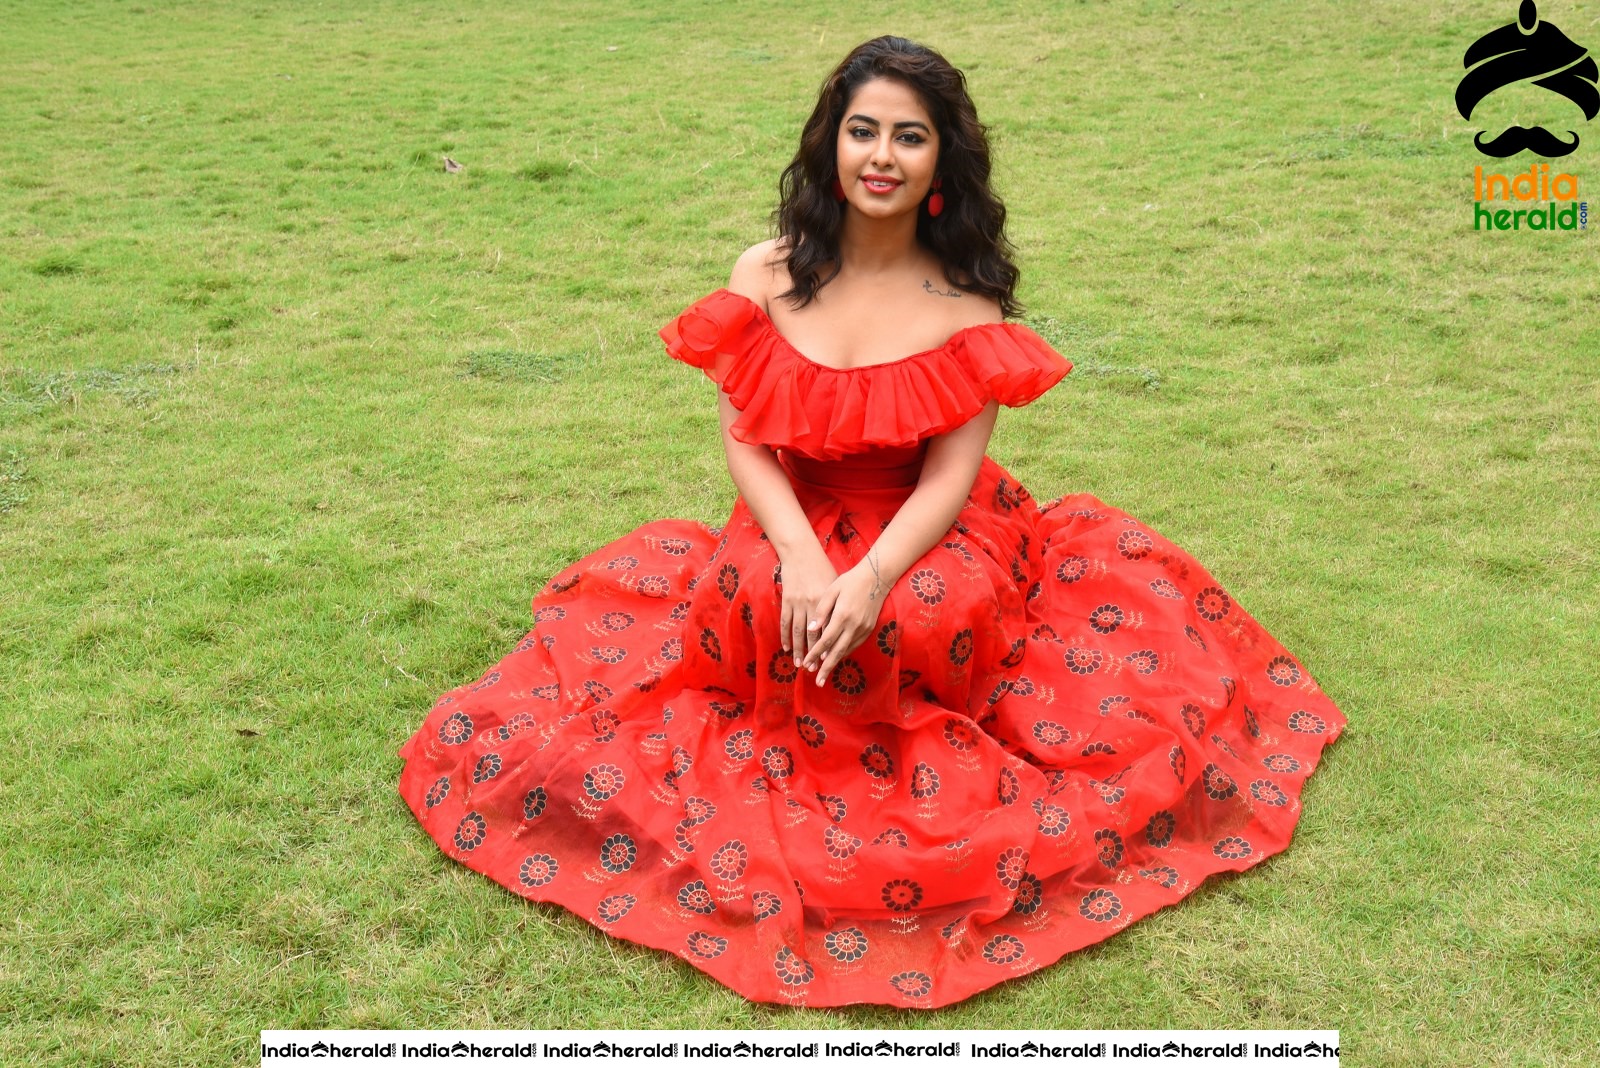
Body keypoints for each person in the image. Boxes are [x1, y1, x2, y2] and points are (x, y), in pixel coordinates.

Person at [397, 35, 1345, 1009]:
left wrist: (875, 576)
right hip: (790, 511)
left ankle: (901, 775)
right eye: (862, 132)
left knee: (914, 622)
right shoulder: (765, 271)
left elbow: (949, 476)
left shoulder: (967, 296)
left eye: (908, 136)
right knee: (765, 605)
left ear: (942, 159)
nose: (881, 156)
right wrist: (803, 559)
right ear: (830, 145)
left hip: (927, 524)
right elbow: (743, 439)